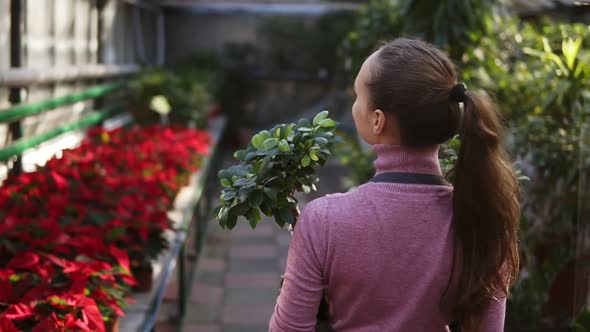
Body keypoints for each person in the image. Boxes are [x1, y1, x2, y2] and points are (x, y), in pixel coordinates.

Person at [269, 38, 521, 331]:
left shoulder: (323, 220)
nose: (354, 107)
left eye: (357, 96)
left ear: (378, 121)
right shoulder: (482, 220)